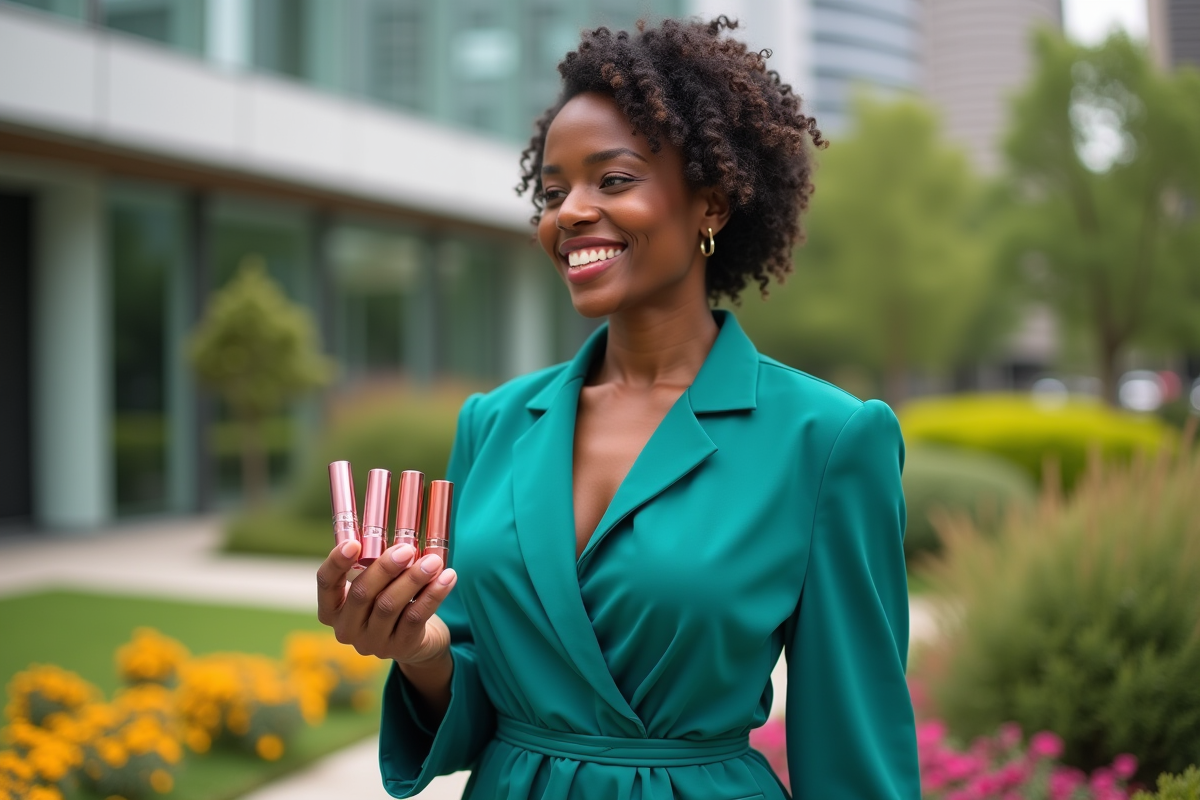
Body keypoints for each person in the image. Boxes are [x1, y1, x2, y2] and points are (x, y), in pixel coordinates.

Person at [316, 16, 919, 800]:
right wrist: (419, 649)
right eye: (554, 190)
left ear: (712, 201)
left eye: (614, 179)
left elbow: (854, 745)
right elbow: (472, 703)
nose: (569, 213)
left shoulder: (830, 440)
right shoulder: (492, 425)